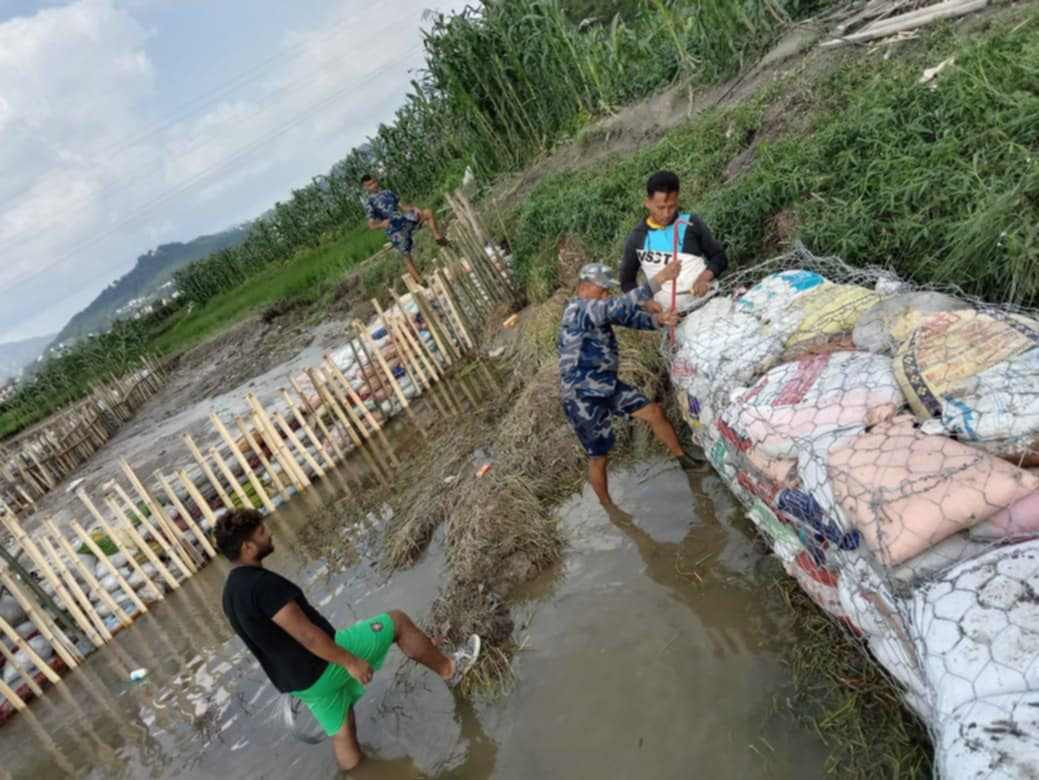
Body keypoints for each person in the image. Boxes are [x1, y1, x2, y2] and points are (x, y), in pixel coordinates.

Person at [217, 508, 480, 772]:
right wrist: (351, 662)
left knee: (343, 732)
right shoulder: (263, 586)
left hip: (300, 683)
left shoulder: (229, 595)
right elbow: (308, 636)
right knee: (397, 622)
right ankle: (452, 669)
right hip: (323, 665)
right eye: (262, 532)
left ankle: (361, 774)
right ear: (248, 547)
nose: (269, 533)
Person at [559, 261, 702, 511]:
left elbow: (630, 316)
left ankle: (684, 459)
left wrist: (659, 319)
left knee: (654, 412)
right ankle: (608, 506)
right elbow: (620, 305)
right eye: (602, 290)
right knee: (598, 456)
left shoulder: (600, 307)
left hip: (606, 384)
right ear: (584, 288)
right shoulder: (578, 310)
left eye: (607, 291)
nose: (606, 295)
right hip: (582, 395)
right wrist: (659, 279)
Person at [619, 170, 728, 312]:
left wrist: (704, 278)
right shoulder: (637, 238)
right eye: (661, 207)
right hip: (673, 316)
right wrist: (645, 302)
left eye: (671, 206)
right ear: (648, 203)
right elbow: (627, 282)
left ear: (677, 200)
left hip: (709, 301)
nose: (666, 213)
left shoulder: (691, 223)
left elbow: (719, 257)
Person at [361, 174, 448, 285]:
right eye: (369, 185)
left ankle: (438, 237)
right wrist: (382, 224)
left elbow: (402, 206)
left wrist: (413, 208)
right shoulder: (369, 203)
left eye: (374, 182)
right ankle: (419, 280)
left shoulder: (388, 192)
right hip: (394, 231)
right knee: (406, 255)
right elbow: (371, 225)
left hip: (405, 220)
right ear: (365, 188)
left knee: (427, 213)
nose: (373, 185)